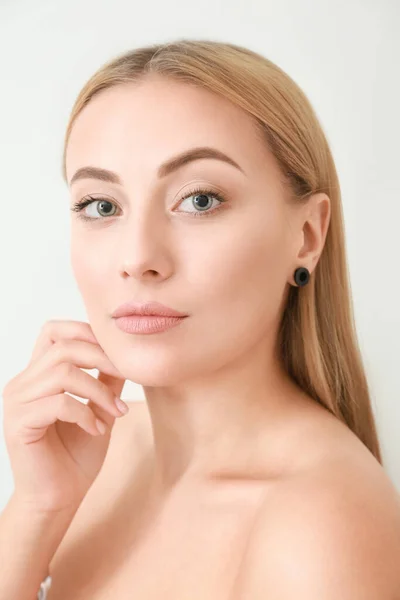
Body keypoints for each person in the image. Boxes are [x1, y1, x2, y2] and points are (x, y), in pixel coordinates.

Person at [1, 38, 400, 600]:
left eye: (200, 200)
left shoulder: (321, 527)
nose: (137, 258)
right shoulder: (99, 450)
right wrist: (35, 509)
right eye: (102, 206)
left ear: (307, 235)